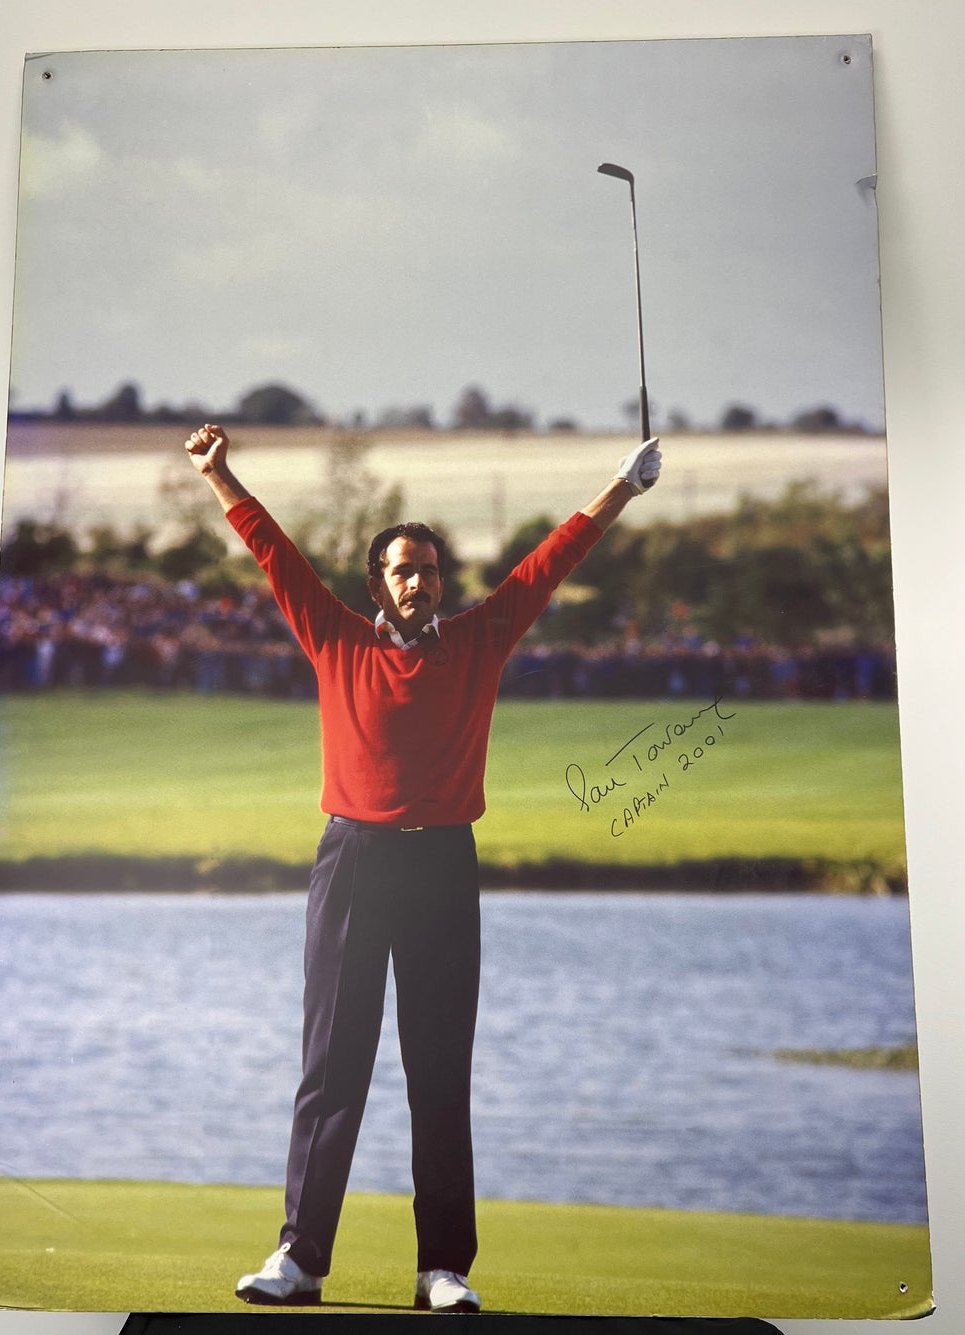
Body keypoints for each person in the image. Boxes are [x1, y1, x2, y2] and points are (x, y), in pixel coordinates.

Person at [184, 423, 662, 1312]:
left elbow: (549, 562)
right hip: (353, 860)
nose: (419, 583)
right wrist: (220, 475)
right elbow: (273, 553)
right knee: (333, 1064)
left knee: (439, 1069)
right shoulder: (335, 636)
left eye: (431, 571)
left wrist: (622, 488)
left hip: (443, 862)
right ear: (378, 585)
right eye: (404, 571)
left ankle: (442, 1266)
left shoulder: (479, 638)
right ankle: (300, 1256)